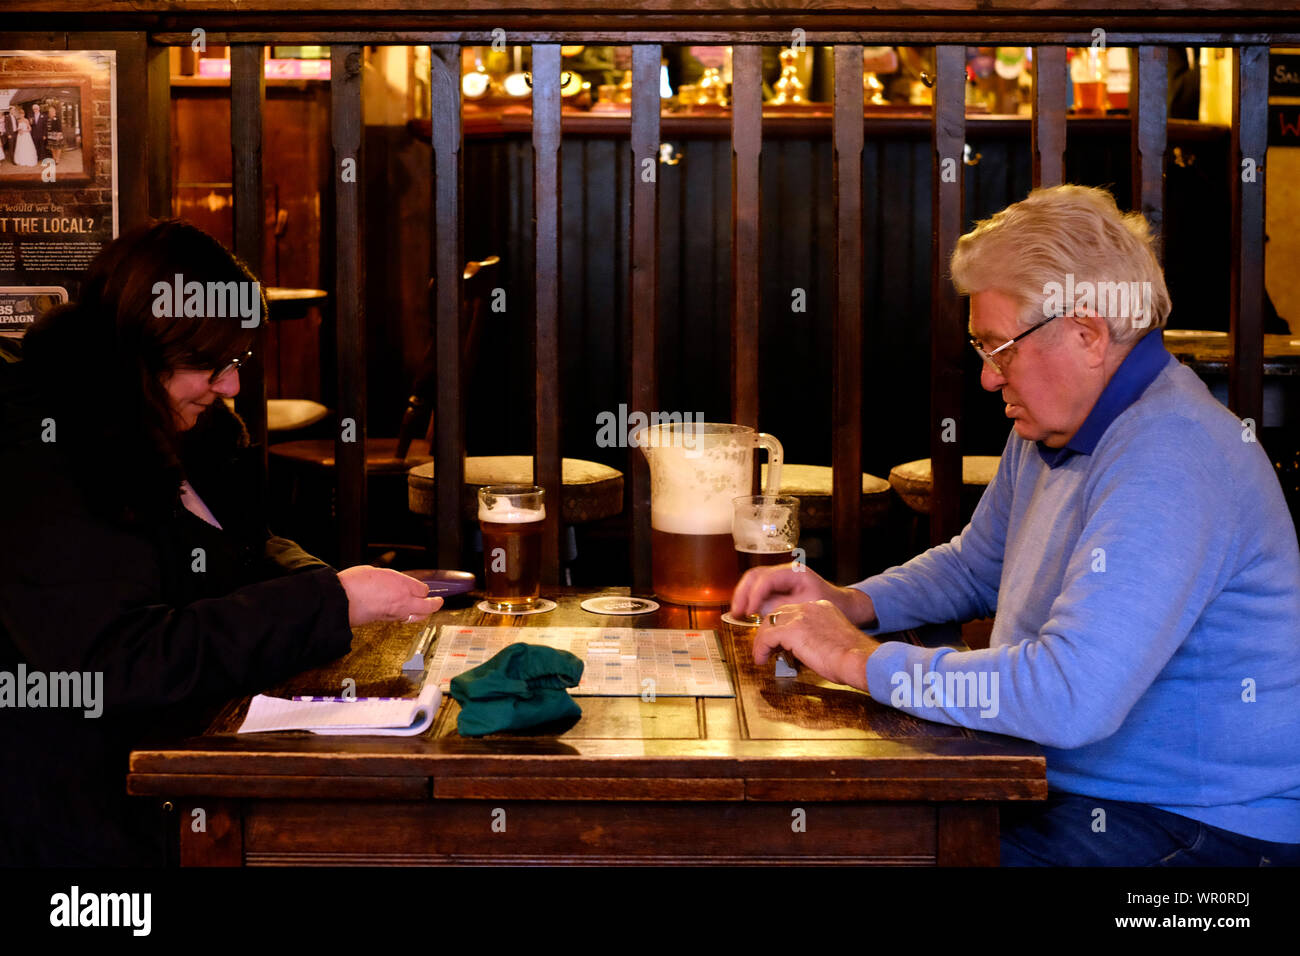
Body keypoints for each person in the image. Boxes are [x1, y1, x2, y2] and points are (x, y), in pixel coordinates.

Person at [733, 184, 1300, 866]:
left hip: (1201, 832)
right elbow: (978, 564)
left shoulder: (1170, 456)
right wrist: (853, 602)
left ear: (1087, 333)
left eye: (998, 348)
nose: (987, 378)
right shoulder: (1062, 423)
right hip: (1075, 792)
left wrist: (858, 658)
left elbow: (1069, 696)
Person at [0, 220, 440, 866]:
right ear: (148, 348)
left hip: (185, 783)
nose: (233, 386)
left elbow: (242, 547)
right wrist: (327, 603)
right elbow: (123, 661)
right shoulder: (55, 452)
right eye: (212, 365)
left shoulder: (176, 426)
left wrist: (331, 585)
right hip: (82, 826)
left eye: (237, 363)